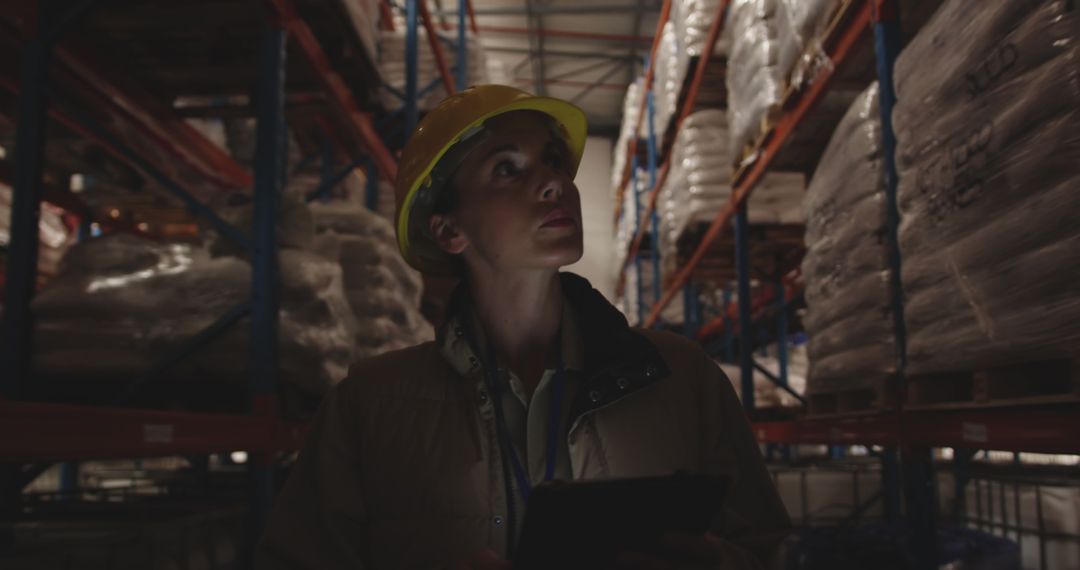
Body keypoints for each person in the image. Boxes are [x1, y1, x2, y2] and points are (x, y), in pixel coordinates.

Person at [257, 85, 791, 569]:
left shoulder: (681, 378)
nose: (555, 183)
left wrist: (718, 563)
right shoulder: (369, 406)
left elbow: (771, 551)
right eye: (507, 169)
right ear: (449, 230)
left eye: (554, 162)